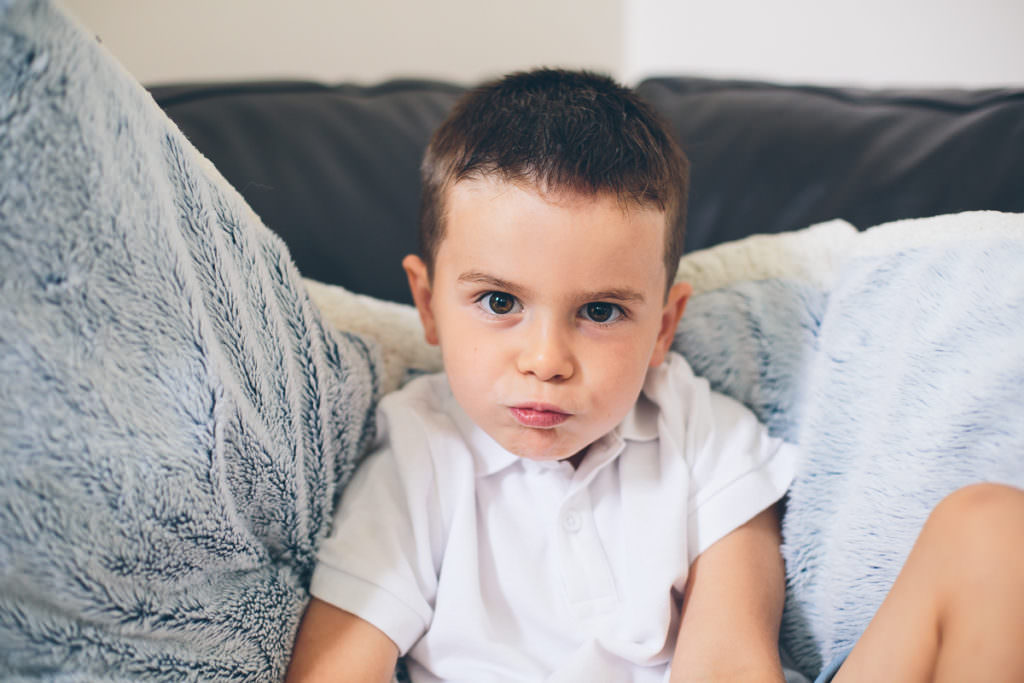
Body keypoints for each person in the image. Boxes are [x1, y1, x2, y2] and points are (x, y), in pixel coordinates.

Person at [286, 69, 1024, 682]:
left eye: (601, 311)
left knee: (991, 527)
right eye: (500, 302)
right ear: (429, 305)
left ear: (664, 326)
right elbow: (333, 671)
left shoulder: (705, 434)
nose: (546, 359)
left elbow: (732, 660)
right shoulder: (416, 455)